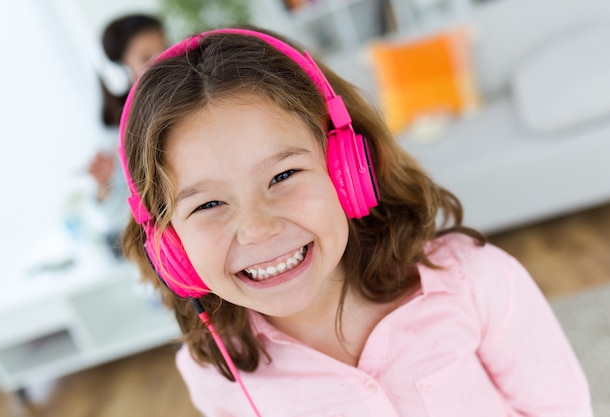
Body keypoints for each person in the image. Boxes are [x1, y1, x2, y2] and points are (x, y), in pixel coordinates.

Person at [119, 27, 592, 416]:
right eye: (206, 205)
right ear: (170, 246)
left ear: (349, 173)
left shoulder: (474, 281)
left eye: (283, 175)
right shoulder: (215, 374)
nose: (258, 228)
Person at [86, 13, 167, 255]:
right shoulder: (114, 137)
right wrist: (104, 186)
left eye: (164, 49)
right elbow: (111, 222)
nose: (162, 61)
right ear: (118, 73)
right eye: (145, 57)